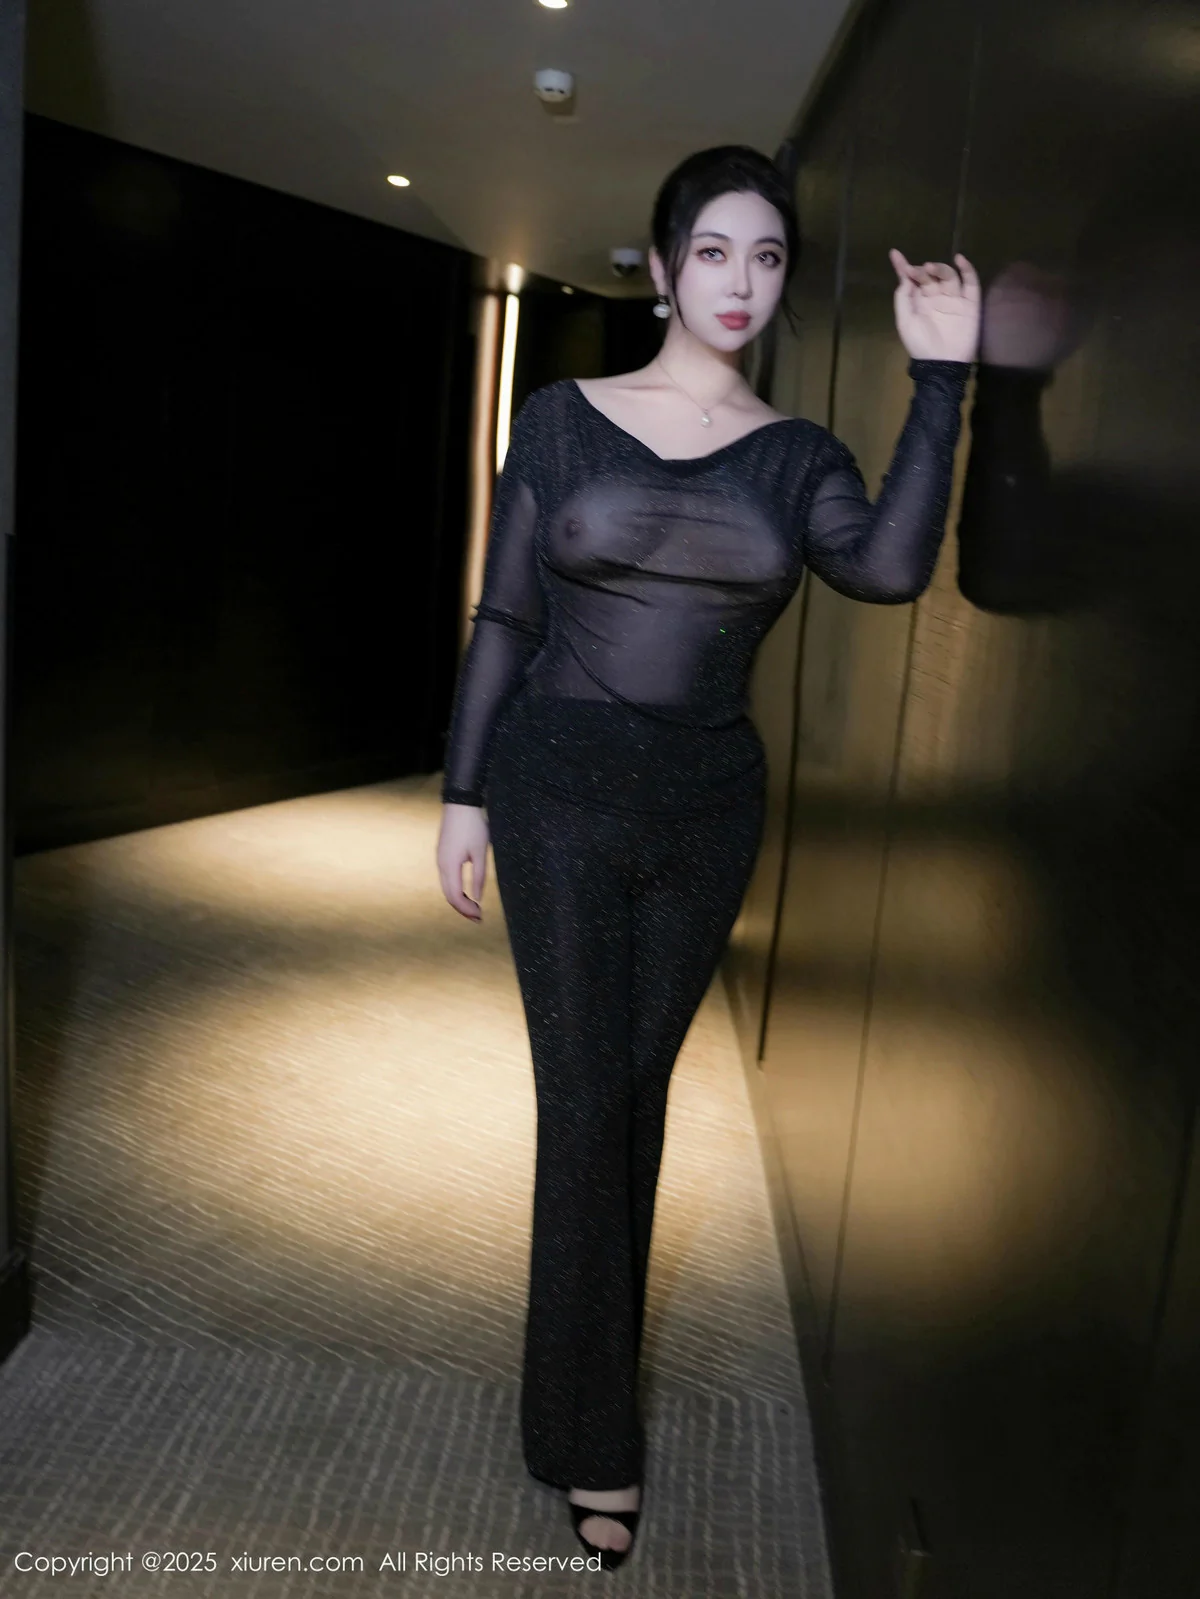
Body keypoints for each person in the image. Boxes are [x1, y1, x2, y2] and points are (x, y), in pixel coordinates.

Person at [435, 144, 980, 1569]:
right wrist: (464, 791)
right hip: (556, 794)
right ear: (668, 265)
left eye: (770, 256)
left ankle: (577, 1399)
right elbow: (505, 617)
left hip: (706, 815)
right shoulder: (563, 421)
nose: (743, 281)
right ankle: (593, 1441)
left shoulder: (796, 458)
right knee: (584, 1106)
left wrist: (940, 380)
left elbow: (888, 568)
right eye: (718, 252)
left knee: (633, 1096)